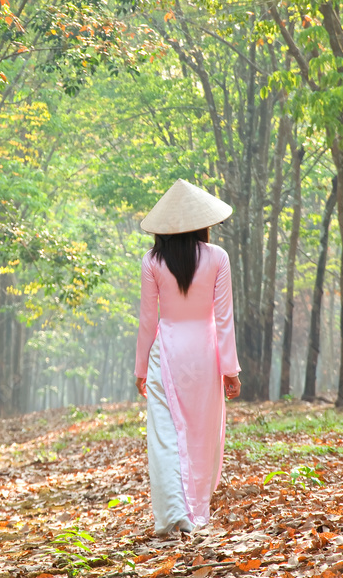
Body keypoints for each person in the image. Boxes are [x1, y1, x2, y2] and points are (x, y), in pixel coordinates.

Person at [134, 179, 241, 537]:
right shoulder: (218, 258)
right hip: (206, 354)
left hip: (166, 354)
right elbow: (223, 317)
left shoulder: (152, 261)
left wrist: (139, 369)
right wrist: (230, 369)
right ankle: (197, 513)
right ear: (202, 222)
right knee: (202, 433)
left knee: (165, 436)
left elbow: (149, 320)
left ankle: (172, 517)